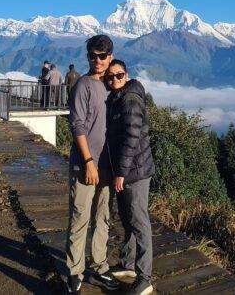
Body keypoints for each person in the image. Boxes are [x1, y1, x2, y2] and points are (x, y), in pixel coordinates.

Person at [65, 35, 120, 294]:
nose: (97, 60)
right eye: (92, 55)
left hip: (107, 166)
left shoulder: (112, 85)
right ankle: (74, 271)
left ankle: (99, 265)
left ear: (110, 57)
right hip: (86, 164)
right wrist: (88, 161)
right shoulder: (82, 85)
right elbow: (77, 125)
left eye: (102, 56)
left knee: (103, 217)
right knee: (80, 217)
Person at [105, 59, 155, 295]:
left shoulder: (130, 101)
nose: (114, 80)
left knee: (139, 222)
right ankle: (128, 265)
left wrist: (121, 174)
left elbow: (131, 140)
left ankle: (145, 278)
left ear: (127, 75)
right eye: (110, 76)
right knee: (127, 219)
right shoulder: (117, 98)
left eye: (119, 75)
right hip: (128, 170)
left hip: (134, 172)